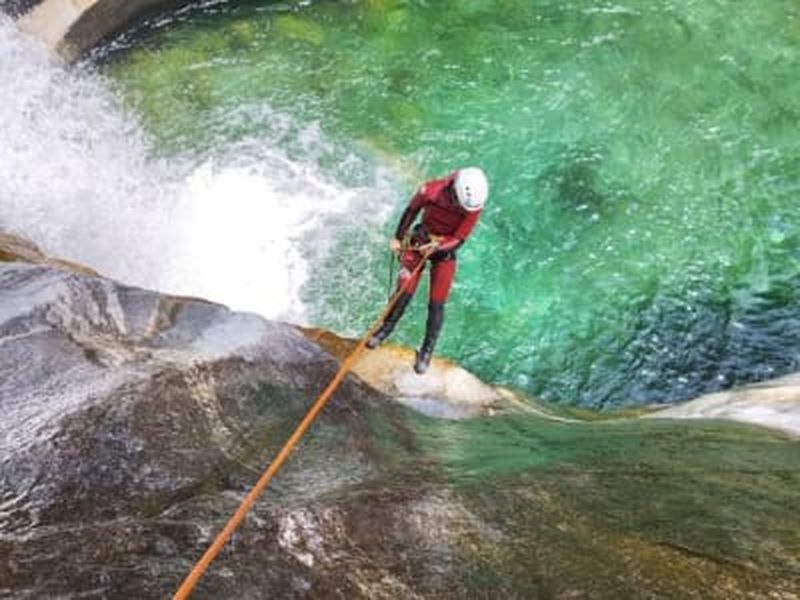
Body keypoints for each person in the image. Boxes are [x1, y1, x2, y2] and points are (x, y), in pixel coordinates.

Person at [367, 167, 488, 374]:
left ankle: (427, 350)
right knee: (404, 291)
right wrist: (398, 237)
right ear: (454, 192)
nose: (462, 209)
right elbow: (411, 211)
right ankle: (386, 328)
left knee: (437, 304)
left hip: (444, 250)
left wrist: (437, 248)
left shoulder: (473, 207)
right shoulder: (431, 190)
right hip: (420, 240)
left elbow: (459, 239)